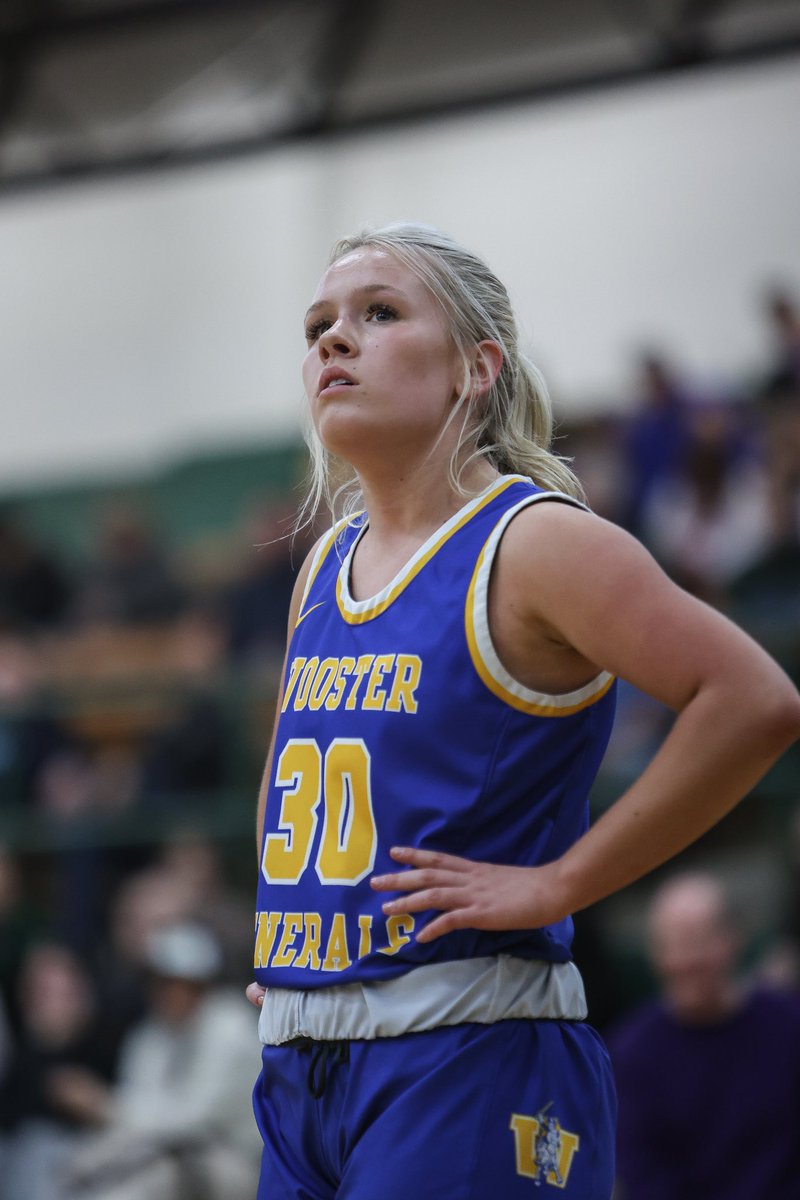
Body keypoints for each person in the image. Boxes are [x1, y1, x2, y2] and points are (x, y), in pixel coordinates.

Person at [246, 222, 800, 1200]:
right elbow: (289, 775)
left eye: (378, 314)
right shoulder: (323, 567)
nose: (334, 339)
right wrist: (292, 947)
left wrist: (560, 883)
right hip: (302, 1065)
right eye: (318, 324)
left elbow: (753, 700)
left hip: (469, 1052)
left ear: (475, 368)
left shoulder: (535, 542)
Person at [607, 872, 800, 1198]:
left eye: (698, 941)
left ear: (732, 938)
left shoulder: (789, 1024)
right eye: (671, 945)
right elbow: (644, 1176)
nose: (685, 961)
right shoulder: (632, 1054)